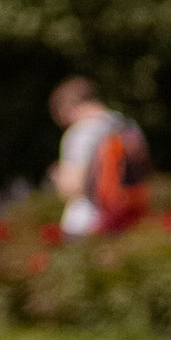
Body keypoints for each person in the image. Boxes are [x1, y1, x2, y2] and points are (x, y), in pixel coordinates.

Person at [50, 75, 150, 235]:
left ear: (67, 108)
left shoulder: (82, 131)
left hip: (88, 223)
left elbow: (73, 185)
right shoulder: (125, 125)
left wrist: (58, 177)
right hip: (127, 222)